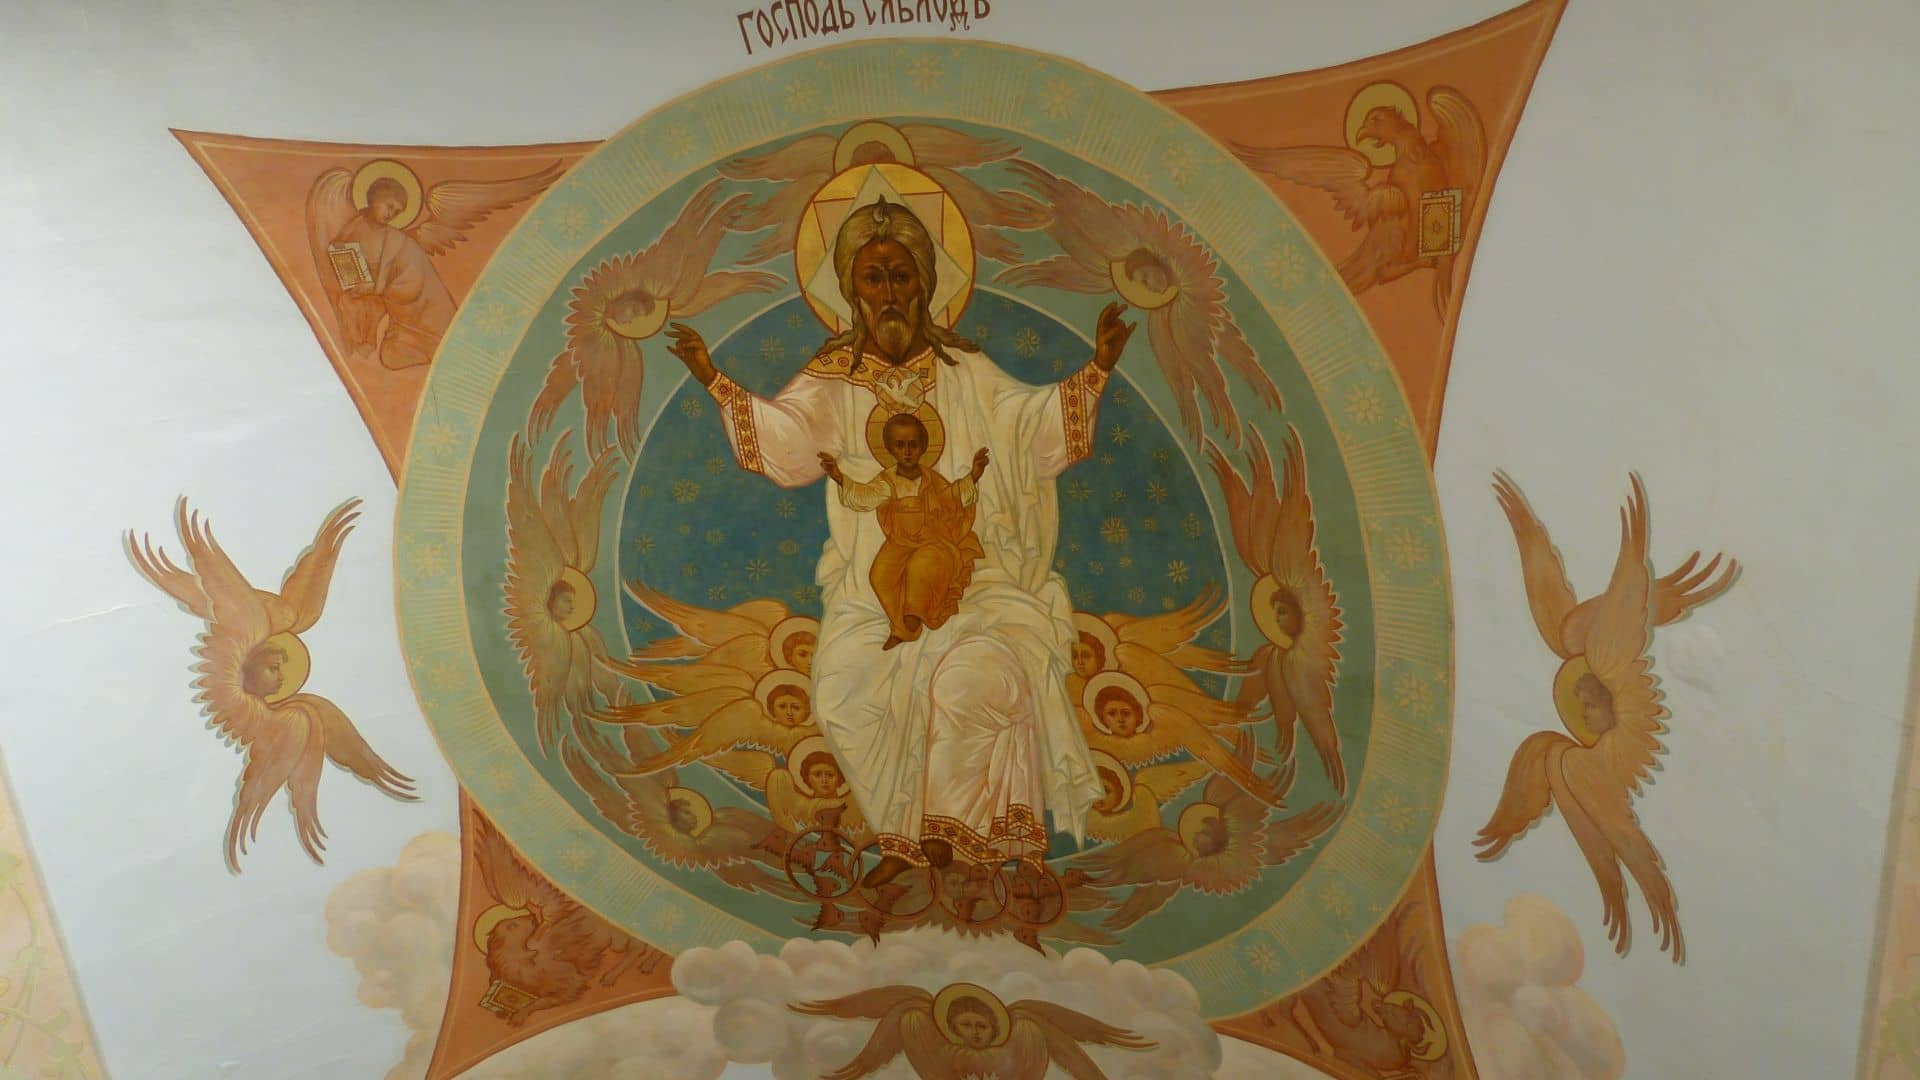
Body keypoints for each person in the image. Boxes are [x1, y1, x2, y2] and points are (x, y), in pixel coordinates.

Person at [666, 195, 1136, 888]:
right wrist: (715, 381)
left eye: (900, 275)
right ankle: (901, 836)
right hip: (873, 589)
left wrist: (1095, 371)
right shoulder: (832, 377)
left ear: (925, 283)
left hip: (972, 587)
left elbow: (1028, 426)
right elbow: (788, 444)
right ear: (851, 289)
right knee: (842, 695)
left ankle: (950, 833)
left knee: (976, 681)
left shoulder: (965, 371)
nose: (888, 292)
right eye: (873, 277)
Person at [821, 413, 989, 650]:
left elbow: (952, 497)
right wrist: (839, 478)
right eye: (900, 445)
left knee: (919, 567)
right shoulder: (887, 481)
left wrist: (974, 475)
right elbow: (865, 497)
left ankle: (915, 614)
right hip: (900, 542)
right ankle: (902, 629)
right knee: (879, 575)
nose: (907, 451)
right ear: (890, 449)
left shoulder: (931, 480)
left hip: (933, 540)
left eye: (913, 445)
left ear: (923, 447)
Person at [326, 177, 457, 370]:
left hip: (421, 314)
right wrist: (354, 278)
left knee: (404, 354)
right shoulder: (355, 226)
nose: (391, 214)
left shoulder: (398, 241)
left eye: (396, 212)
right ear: (374, 198)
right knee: (390, 355)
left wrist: (374, 288)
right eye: (389, 206)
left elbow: (412, 285)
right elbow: (340, 248)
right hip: (394, 313)